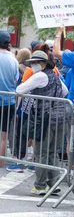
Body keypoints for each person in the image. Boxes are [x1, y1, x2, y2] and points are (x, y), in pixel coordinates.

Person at [16, 49, 69, 195]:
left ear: (44, 63)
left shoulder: (39, 76)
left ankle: (40, 185)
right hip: (60, 119)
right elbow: (64, 91)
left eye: (36, 62)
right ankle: (54, 183)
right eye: (32, 63)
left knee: (41, 153)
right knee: (52, 152)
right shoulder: (54, 75)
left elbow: (19, 89)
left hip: (45, 119)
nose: (34, 65)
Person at [0, 30, 19, 166]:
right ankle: (1, 161)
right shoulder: (13, 59)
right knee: (3, 135)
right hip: (9, 100)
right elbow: (15, 80)